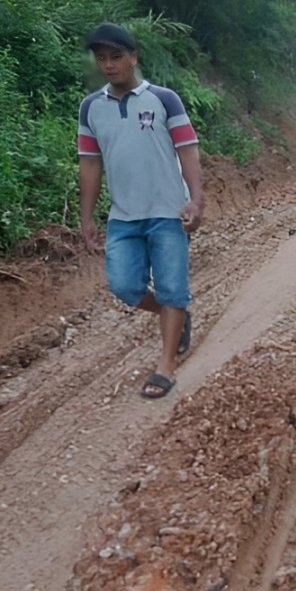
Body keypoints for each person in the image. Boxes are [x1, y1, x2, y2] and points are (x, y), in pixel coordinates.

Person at [77, 22, 204, 399]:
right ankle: (174, 314)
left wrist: (196, 200)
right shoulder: (91, 108)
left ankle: (165, 367)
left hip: (168, 212)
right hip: (123, 217)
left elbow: (188, 150)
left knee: (172, 288)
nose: (109, 65)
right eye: (102, 58)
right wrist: (87, 217)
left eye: (116, 56)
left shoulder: (164, 100)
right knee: (124, 285)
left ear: (133, 57)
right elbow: (90, 163)